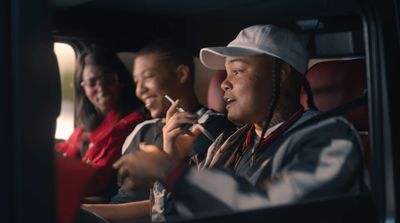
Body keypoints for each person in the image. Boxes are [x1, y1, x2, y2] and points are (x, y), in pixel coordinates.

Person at [113, 24, 367, 219]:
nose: (224, 83)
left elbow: (271, 211)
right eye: (226, 73)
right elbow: (168, 218)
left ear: (280, 73)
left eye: (237, 71)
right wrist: (172, 159)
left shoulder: (331, 138)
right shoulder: (229, 143)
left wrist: (172, 172)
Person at [82, 39, 235, 222]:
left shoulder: (209, 128)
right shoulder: (141, 129)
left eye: (148, 76)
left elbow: (184, 203)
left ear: (181, 74)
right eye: (136, 81)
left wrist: (98, 212)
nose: (140, 90)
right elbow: (121, 195)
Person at [55, 45, 146, 199]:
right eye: (92, 82)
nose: (101, 88)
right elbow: (65, 149)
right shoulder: (86, 126)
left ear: (121, 81)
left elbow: (93, 180)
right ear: (82, 87)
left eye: (108, 80)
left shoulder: (130, 123)